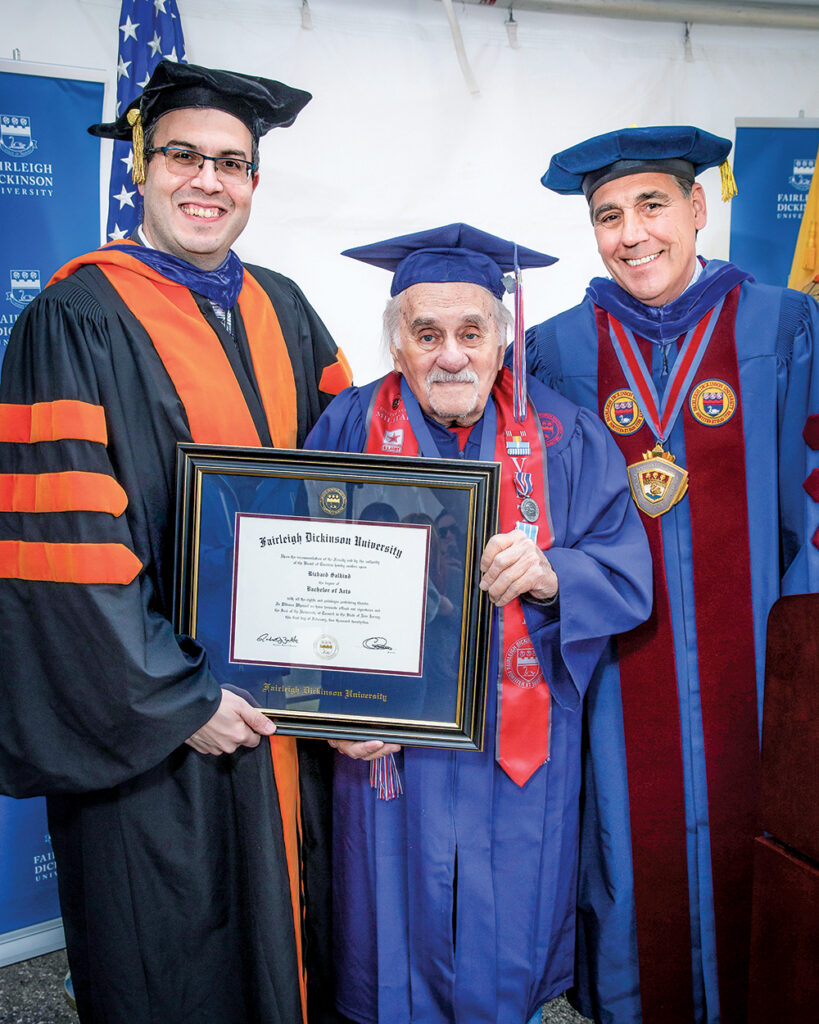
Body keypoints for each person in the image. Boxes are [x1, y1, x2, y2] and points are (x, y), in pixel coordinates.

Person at [0, 60, 351, 1024]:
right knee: (170, 959)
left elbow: (355, 499)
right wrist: (179, 698)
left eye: (231, 163)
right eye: (184, 156)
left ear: (253, 183)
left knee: (294, 941)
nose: (207, 180)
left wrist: (373, 676)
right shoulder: (73, 318)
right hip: (160, 730)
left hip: (284, 703)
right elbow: (63, 546)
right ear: (143, 171)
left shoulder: (287, 308)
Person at [305, 222, 653, 1024]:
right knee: (390, 932)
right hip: (388, 746)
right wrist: (324, 706)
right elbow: (294, 586)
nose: (450, 354)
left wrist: (551, 572)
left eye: (471, 332)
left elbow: (624, 568)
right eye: (427, 334)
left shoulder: (565, 435)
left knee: (507, 944)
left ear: (503, 340)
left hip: (516, 742)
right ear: (397, 344)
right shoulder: (347, 428)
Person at [523, 125, 819, 1024]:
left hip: (759, 680)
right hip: (614, 675)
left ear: (697, 209)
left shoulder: (782, 326)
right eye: (607, 215)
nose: (630, 233)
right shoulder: (556, 351)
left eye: (651, 205)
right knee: (630, 860)